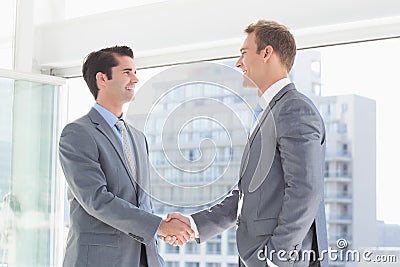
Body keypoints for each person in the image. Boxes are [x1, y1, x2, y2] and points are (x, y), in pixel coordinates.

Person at [164, 20, 328, 266]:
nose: (238, 63)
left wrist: (276, 257)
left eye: (243, 54)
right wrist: (194, 225)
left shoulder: (294, 109)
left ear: (266, 53)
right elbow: (246, 196)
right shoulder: (271, 112)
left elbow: (305, 190)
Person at [59, 45, 194, 267]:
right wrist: (159, 226)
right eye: (127, 72)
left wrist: (160, 232)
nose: (135, 79)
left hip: (144, 258)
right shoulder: (78, 133)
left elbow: (142, 202)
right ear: (102, 79)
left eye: (135, 72)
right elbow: (97, 200)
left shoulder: (137, 137)